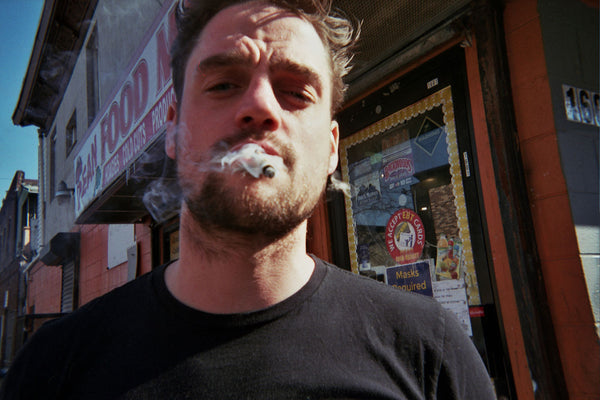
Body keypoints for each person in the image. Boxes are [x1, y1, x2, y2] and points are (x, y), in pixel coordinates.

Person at [0, 0, 496, 399]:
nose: (259, 107)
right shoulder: (54, 368)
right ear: (172, 129)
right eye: (223, 84)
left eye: (296, 92)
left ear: (330, 148)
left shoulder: (431, 352)